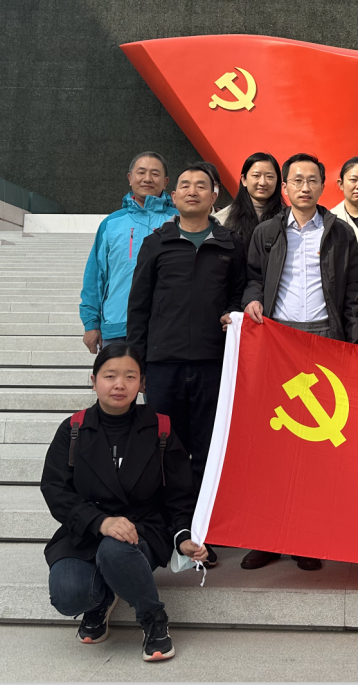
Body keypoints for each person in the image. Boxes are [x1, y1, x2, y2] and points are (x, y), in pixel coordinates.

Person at [42, 343, 209, 663]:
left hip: (142, 528)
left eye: (130, 376)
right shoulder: (73, 429)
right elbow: (55, 488)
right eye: (110, 376)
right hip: (86, 528)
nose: (119, 384)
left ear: (142, 383)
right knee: (68, 595)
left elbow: (179, 493)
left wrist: (183, 536)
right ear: (93, 381)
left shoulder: (160, 428)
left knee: (115, 549)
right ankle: (100, 601)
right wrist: (100, 522)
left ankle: (153, 617)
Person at [241, 152, 358, 572]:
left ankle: (306, 537)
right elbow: (252, 277)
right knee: (274, 444)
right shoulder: (267, 231)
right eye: (297, 180)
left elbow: (353, 291)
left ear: (323, 186)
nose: (305, 187)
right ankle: (268, 536)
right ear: (285, 187)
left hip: (326, 339)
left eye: (312, 180)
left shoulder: (339, 232)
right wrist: (252, 299)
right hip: (280, 341)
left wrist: (351, 345)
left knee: (316, 449)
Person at [127, 162, 246, 569]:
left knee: (207, 451)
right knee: (164, 448)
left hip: (214, 364)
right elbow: (139, 306)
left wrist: (234, 313)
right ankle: (168, 530)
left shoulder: (231, 243)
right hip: (164, 365)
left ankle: (202, 533)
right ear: (173, 196)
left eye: (201, 185)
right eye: (184, 185)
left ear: (215, 196)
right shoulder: (156, 243)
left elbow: (238, 294)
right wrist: (138, 364)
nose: (192, 191)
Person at [80, 152, 177, 355]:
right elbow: (95, 276)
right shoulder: (111, 223)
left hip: (169, 327)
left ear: (166, 181)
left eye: (155, 174)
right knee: (118, 377)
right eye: (141, 172)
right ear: (130, 178)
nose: (147, 179)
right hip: (117, 327)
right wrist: (91, 323)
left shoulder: (180, 221)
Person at [213, 152, 283, 244]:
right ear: (244, 180)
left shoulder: (288, 219)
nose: (262, 182)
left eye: (269, 177)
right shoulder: (221, 220)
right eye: (256, 176)